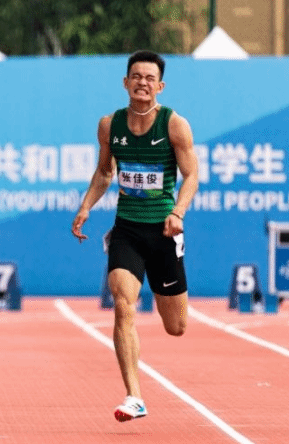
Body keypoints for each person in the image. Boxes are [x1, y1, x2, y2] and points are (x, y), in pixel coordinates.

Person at [71, 50, 198, 422]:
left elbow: (191, 176)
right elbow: (105, 172)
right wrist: (86, 206)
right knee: (123, 304)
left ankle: (167, 305)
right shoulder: (110, 125)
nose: (142, 82)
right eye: (135, 76)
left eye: (149, 78)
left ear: (159, 86)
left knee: (175, 327)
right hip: (126, 228)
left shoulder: (174, 125)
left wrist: (178, 212)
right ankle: (134, 396)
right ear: (125, 83)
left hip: (163, 230)